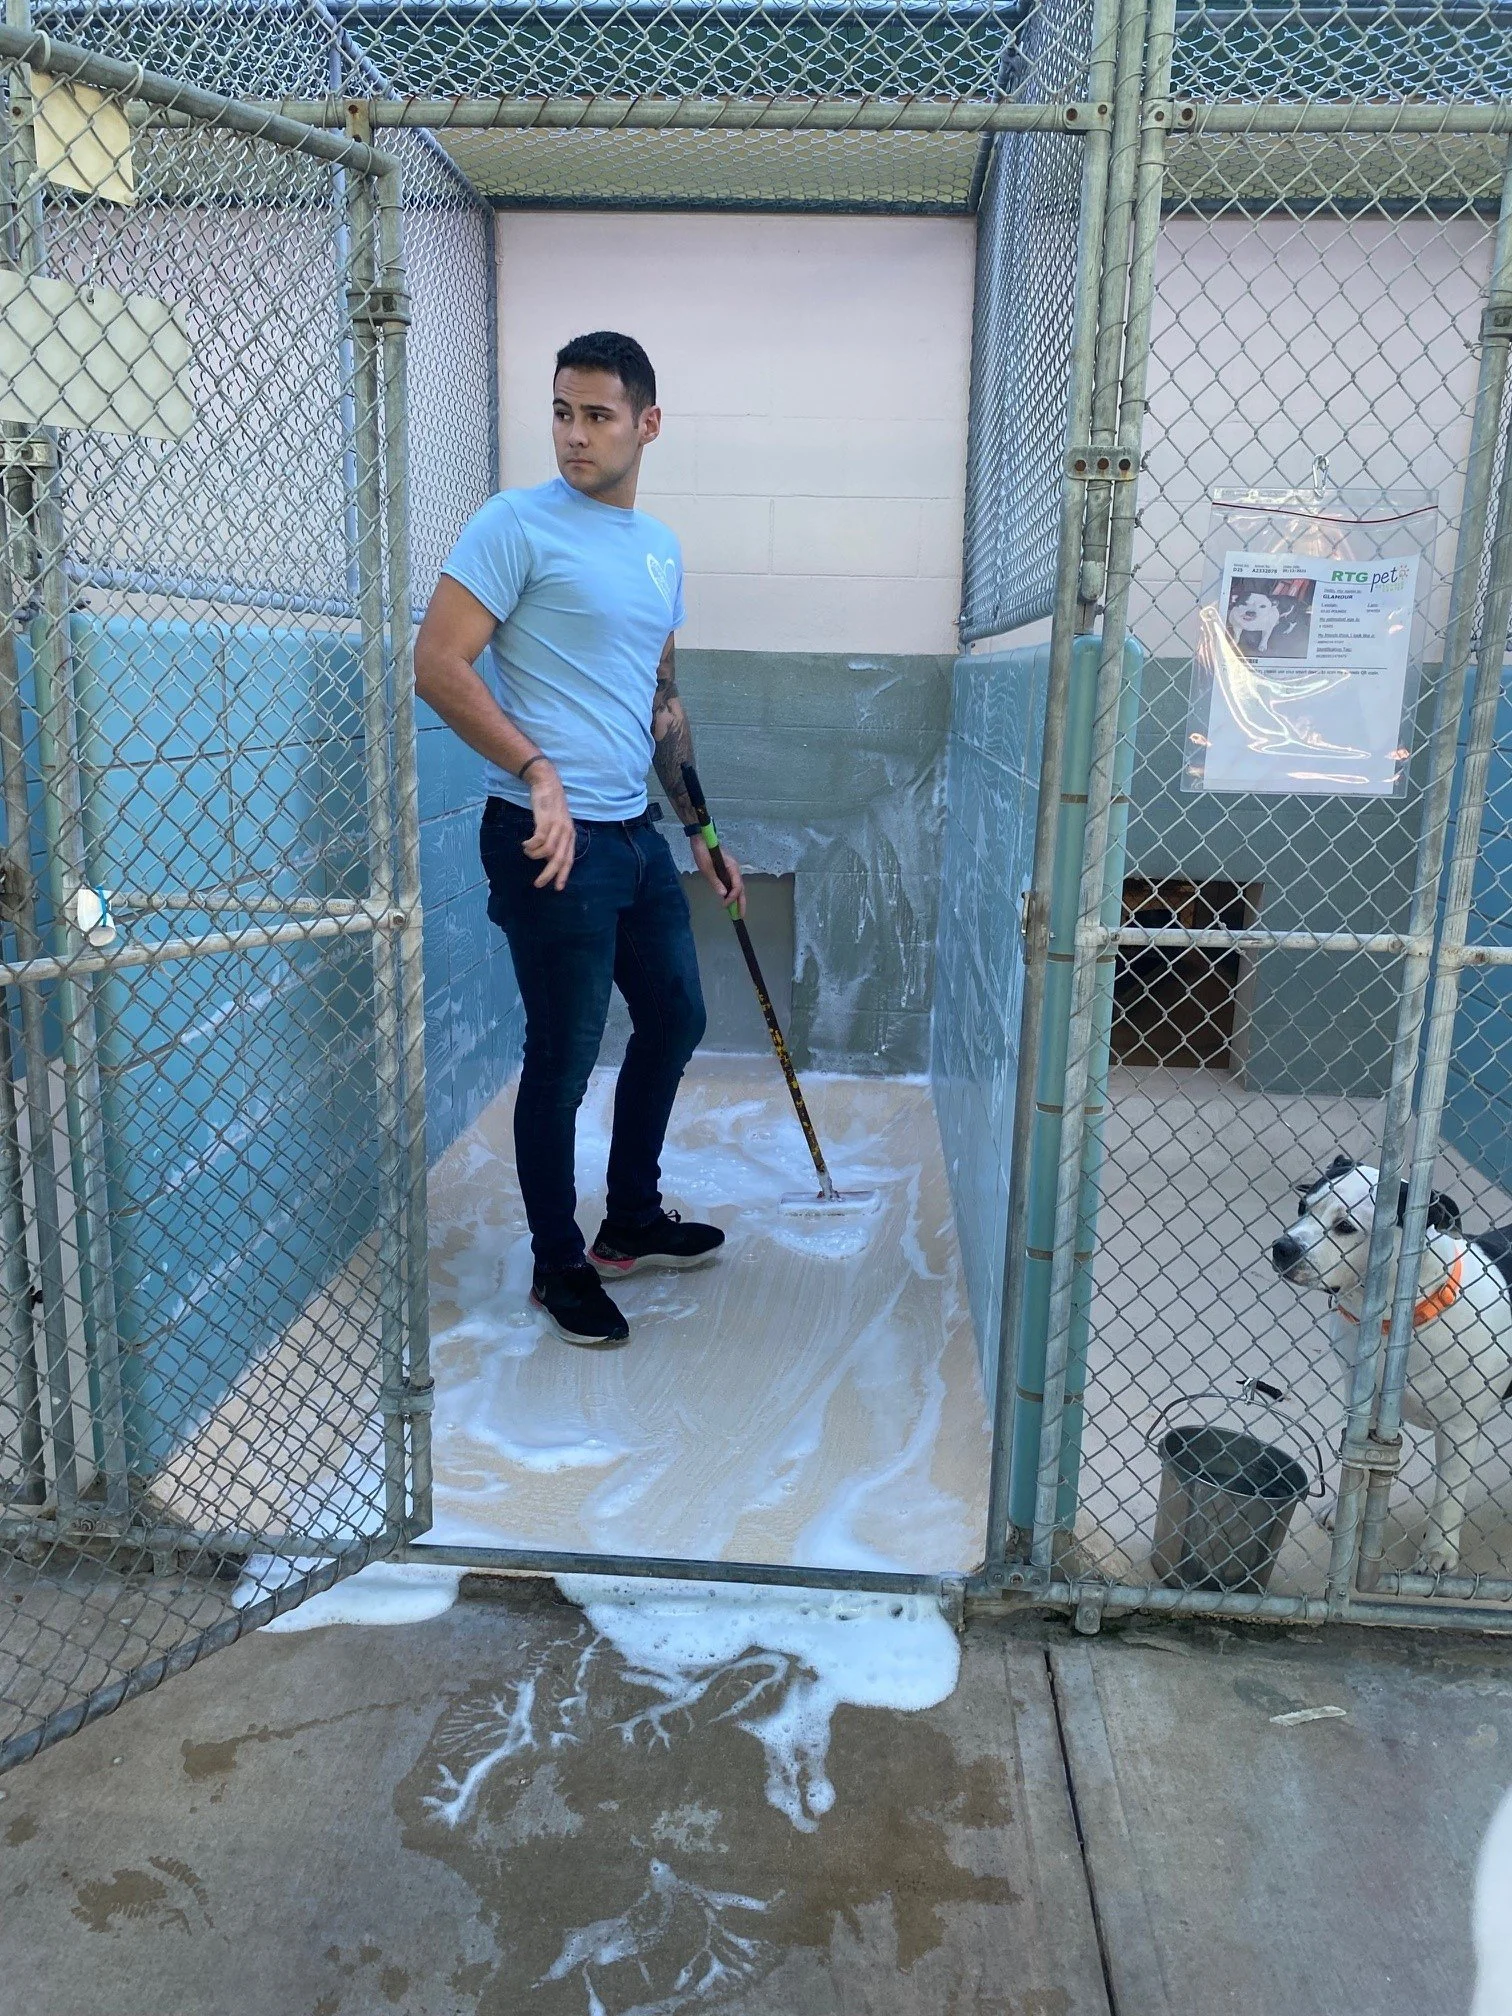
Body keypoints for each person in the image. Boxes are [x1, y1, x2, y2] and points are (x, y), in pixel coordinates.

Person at [414, 330, 745, 1349]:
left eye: (597, 415)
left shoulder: (659, 550)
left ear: (647, 424)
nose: (573, 434)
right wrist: (535, 769)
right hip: (545, 840)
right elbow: (437, 664)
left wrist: (699, 825)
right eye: (562, 411)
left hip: (635, 838)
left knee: (677, 1017)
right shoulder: (514, 526)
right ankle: (559, 1265)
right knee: (559, 1059)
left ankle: (629, 1220)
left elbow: (660, 697)